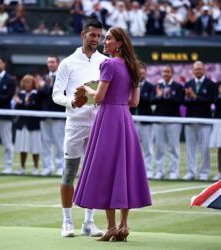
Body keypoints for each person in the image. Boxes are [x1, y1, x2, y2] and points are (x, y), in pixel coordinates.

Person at [73, 27, 152, 242]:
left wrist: (85, 90)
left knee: (107, 170)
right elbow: (134, 102)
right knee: (124, 170)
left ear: (119, 43)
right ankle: (124, 226)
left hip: (108, 119)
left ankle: (111, 227)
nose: (104, 42)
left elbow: (98, 97)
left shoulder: (108, 64)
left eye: (108, 38)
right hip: (125, 120)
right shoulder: (133, 67)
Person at [52, 18, 107, 238]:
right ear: (83, 35)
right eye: (92, 35)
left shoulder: (105, 61)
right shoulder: (67, 63)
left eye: (99, 36)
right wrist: (71, 102)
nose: (96, 39)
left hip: (98, 123)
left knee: (93, 174)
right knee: (69, 173)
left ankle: (89, 222)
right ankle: (67, 222)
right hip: (75, 124)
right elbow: (56, 94)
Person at [183, 61, 215, 181]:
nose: (197, 71)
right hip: (190, 120)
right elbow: (184, 102)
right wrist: (188, 97)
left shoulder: (210, 84)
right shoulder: (188, 83)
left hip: (205, 121)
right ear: (193, 71)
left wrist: (195, 97)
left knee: (205, 148)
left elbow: (209, 101)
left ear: (204, 70)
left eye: (199, 69)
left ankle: (204, 173)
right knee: (190, 148)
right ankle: (191, 172)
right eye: (195, 69)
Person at [152, 65, 184, 180]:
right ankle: (159, 171)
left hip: (173, 121)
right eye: (164, 71)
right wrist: (159, 95)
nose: (165, 73)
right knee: (159, 148)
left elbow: (180, 101)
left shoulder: (178, 87)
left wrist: (168, 95)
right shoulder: (157, 86)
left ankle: (173, 172)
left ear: (172, 73)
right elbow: (152, 100)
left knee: (174, 148)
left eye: (168, 71)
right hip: (158, 121)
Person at [39, 55, 65, 176]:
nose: (50, 64)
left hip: (58, 115)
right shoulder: (43, 78)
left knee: (59, 143)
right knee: (46, 143)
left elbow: (63, 93)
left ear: (58, 63)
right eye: (49, 62)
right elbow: (39, 96)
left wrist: (50, 86)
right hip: (45, 115)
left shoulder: (63, 77)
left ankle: (60, 167)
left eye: (52, 62)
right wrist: (45, 86)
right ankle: (47, 167)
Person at [13, 74, 42, 176]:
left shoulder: (36, 93)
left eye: (29, 82)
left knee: (35, 147)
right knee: (22, 147)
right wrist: (20, 102)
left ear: (33, 83)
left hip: (33, 124)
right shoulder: (20, 94)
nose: (27, 84)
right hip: (22, 124)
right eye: (25, 82)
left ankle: (35, 167)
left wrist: (21, 102)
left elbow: (33, 106)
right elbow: (18, 109)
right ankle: (22, 167)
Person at [133, 64, 154, 178]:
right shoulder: (131, 85)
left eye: (143, 73)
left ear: (146, 73)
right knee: (132, 148)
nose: (141, 75)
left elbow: (150, 100)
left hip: (146, 122)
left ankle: (149, 171)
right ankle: (133, 171)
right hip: (132, 121)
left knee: (148, 148)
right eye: (139, 73)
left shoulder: (151, 86)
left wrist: (137, 97)